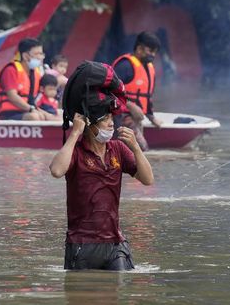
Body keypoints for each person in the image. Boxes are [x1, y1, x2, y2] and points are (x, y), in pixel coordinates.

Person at [49, 106, 154, 271]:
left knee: (116, 292)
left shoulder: (118, 148)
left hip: (115, 243)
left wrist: (135, 147)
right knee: (84, 295)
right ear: (89, 125)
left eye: (111, 119)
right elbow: (56, 170)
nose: (111, 124)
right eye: (105, 120)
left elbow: (148, 179)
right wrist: (75, 132)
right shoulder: (76, 152)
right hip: (81, 244)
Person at [0, 38, 53, 120]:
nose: (41, 57)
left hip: (27, 110)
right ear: (25, 56)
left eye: (41, 54)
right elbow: (12, 96)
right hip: (10, 114)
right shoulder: (11, 70)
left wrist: (46, 114)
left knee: (53, 118)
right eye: (37, 54)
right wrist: (32, 109)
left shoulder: (35, 73)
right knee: (35, 117)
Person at [112, 31, 162, 151]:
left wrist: (151, 117)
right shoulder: (125, 66)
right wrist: (130, 106)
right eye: (150, 51)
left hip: (137, 118)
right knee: (141, 149)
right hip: (120, 116)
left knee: (133, 151)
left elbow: (147, 97)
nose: (153, 55)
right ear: (139, 49)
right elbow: (109, 90)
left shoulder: (149, 68)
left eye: (155, 52)